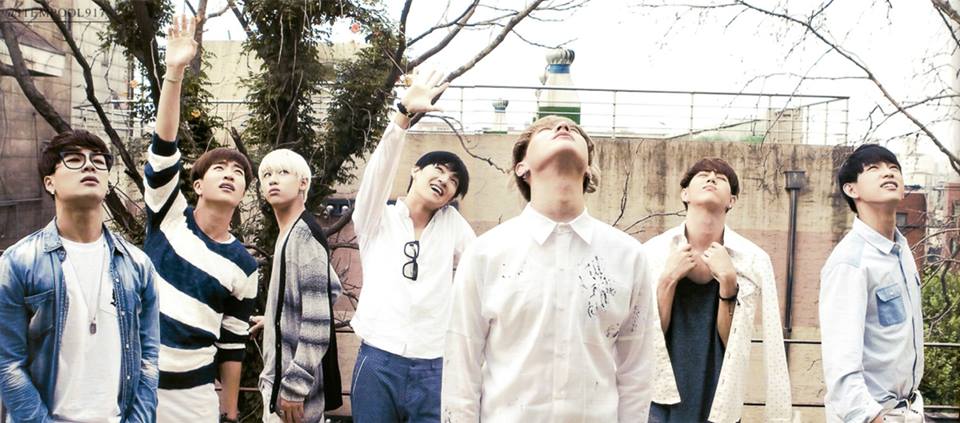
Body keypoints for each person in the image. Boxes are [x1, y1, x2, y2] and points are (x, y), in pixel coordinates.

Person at [441, 115, 657, 421]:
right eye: (545, 129)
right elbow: (461, 371)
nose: (563, 128)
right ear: (522, 168)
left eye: (574, 130)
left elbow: (637, 373)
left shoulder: (629, 256)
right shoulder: (485, 254)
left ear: (589, 169)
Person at [0, 129, 159, 422]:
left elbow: (149, 359)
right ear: (49, 182)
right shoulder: (17, 262)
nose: (89, 166)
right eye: (74, 159)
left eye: (99, 161)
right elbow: (8, 363)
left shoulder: (138, 265)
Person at [144, 15, 258, 422]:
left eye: (238, 172)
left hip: (194, 398)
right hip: (137, 383)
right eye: (219, 168)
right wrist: (174, 73)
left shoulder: (245, 265)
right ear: (197, 185)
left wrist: (229, 411)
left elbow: (233, 343)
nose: (230, 174)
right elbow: (164, 146)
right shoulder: (169, 215)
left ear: (243, 193)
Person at [349, 69, 475, 423]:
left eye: (453, 181)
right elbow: (377, 175)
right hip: (378, 358)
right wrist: (402, 115)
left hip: (434, 367)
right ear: (416, 171)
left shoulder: (453, 225)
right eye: (438, 170)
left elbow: (484, 267)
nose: (444, 180)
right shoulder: (377, 218)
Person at [646, 158, 793, 423]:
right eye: (703, 175)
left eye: (721, 178)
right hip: (660, 396)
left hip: (721, 399)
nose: (712, 178)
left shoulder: (752, 259)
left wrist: (728, 283)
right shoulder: (653, 252)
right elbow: (647, 337)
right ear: (685, 194)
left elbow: (739, 342)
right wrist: (668, 280)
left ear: (732, 201)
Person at [820, 144, 924, 423]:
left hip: (908, 410)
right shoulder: (849, 262)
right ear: (851, 189)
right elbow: (840, 364)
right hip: (873, 415)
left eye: (893, 168)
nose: (888, 173)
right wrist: (871, 417)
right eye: (874, 168)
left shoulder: (902, 250)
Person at [255, 149, 342, 423]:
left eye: (283, 173)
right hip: (282, 383)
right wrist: (277, 318)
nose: (273, 180)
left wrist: (295, 386)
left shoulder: (304, 235)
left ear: (303, 183)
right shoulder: (290, 231)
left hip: (294, 393)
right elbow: (330, 287)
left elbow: (318, 323)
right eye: (266, 175)